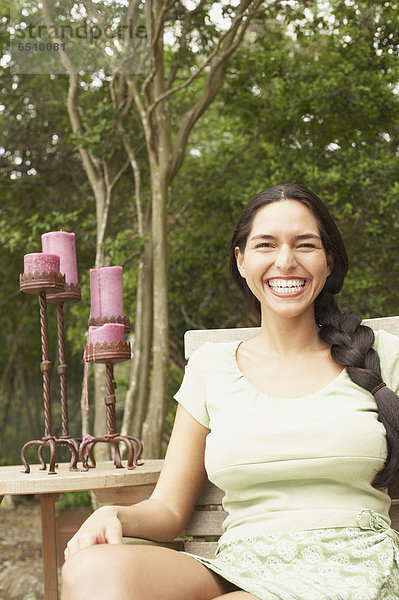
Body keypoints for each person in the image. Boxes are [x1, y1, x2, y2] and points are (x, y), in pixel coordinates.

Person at [62, 183, 399, 600]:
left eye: (305, 244)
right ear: (241, 261)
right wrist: (111, 512)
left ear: (329, 260)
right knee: (89, 571)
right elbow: (168, 511)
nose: (286, 261)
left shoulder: (382, 356)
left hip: (351, 565)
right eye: (265, 245)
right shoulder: (211, 366)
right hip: (240, 567)